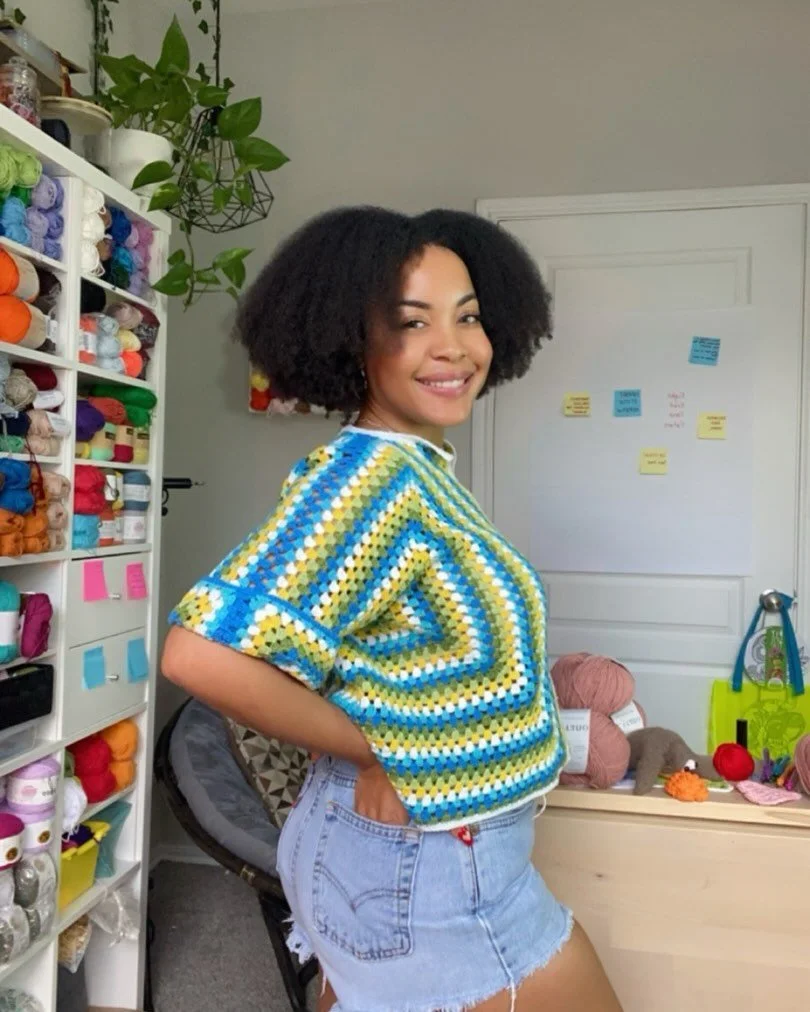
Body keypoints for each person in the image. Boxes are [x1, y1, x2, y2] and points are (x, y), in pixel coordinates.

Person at [161, 206, 622, 1012]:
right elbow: (197, 654)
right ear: (355, 343)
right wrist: (380, 750)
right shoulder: (372, 483)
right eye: (412, 324)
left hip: (418, 857)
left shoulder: (418, 470)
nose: (454, 346)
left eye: (468, 316)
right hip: (432, 872)